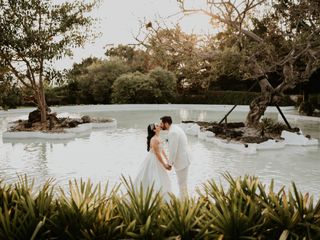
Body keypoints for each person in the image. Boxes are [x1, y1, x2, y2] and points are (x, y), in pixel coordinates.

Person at [134, 123, 172, 201]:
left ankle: (163, 198)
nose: (159, 126)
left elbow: (162, 150)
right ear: (154, 130)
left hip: (158, 159)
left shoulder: (158, 137)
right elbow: (157, 154)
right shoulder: (154, 139)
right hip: (154, 160)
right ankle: (154, 198)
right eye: (157, 126)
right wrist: (164, 165)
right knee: (155, 178)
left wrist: (167, 159)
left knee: (162, 178)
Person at [160, 116, 191, 198]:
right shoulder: (175, 128)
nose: (160, 125)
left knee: (182, 184)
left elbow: (173, 150)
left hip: (182, 161)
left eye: (161, 123)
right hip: (184, 159)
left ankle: (184, 205)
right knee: (182, 184)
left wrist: (170, 164)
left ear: (166, 124)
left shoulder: (173, 132)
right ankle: (184, 201)